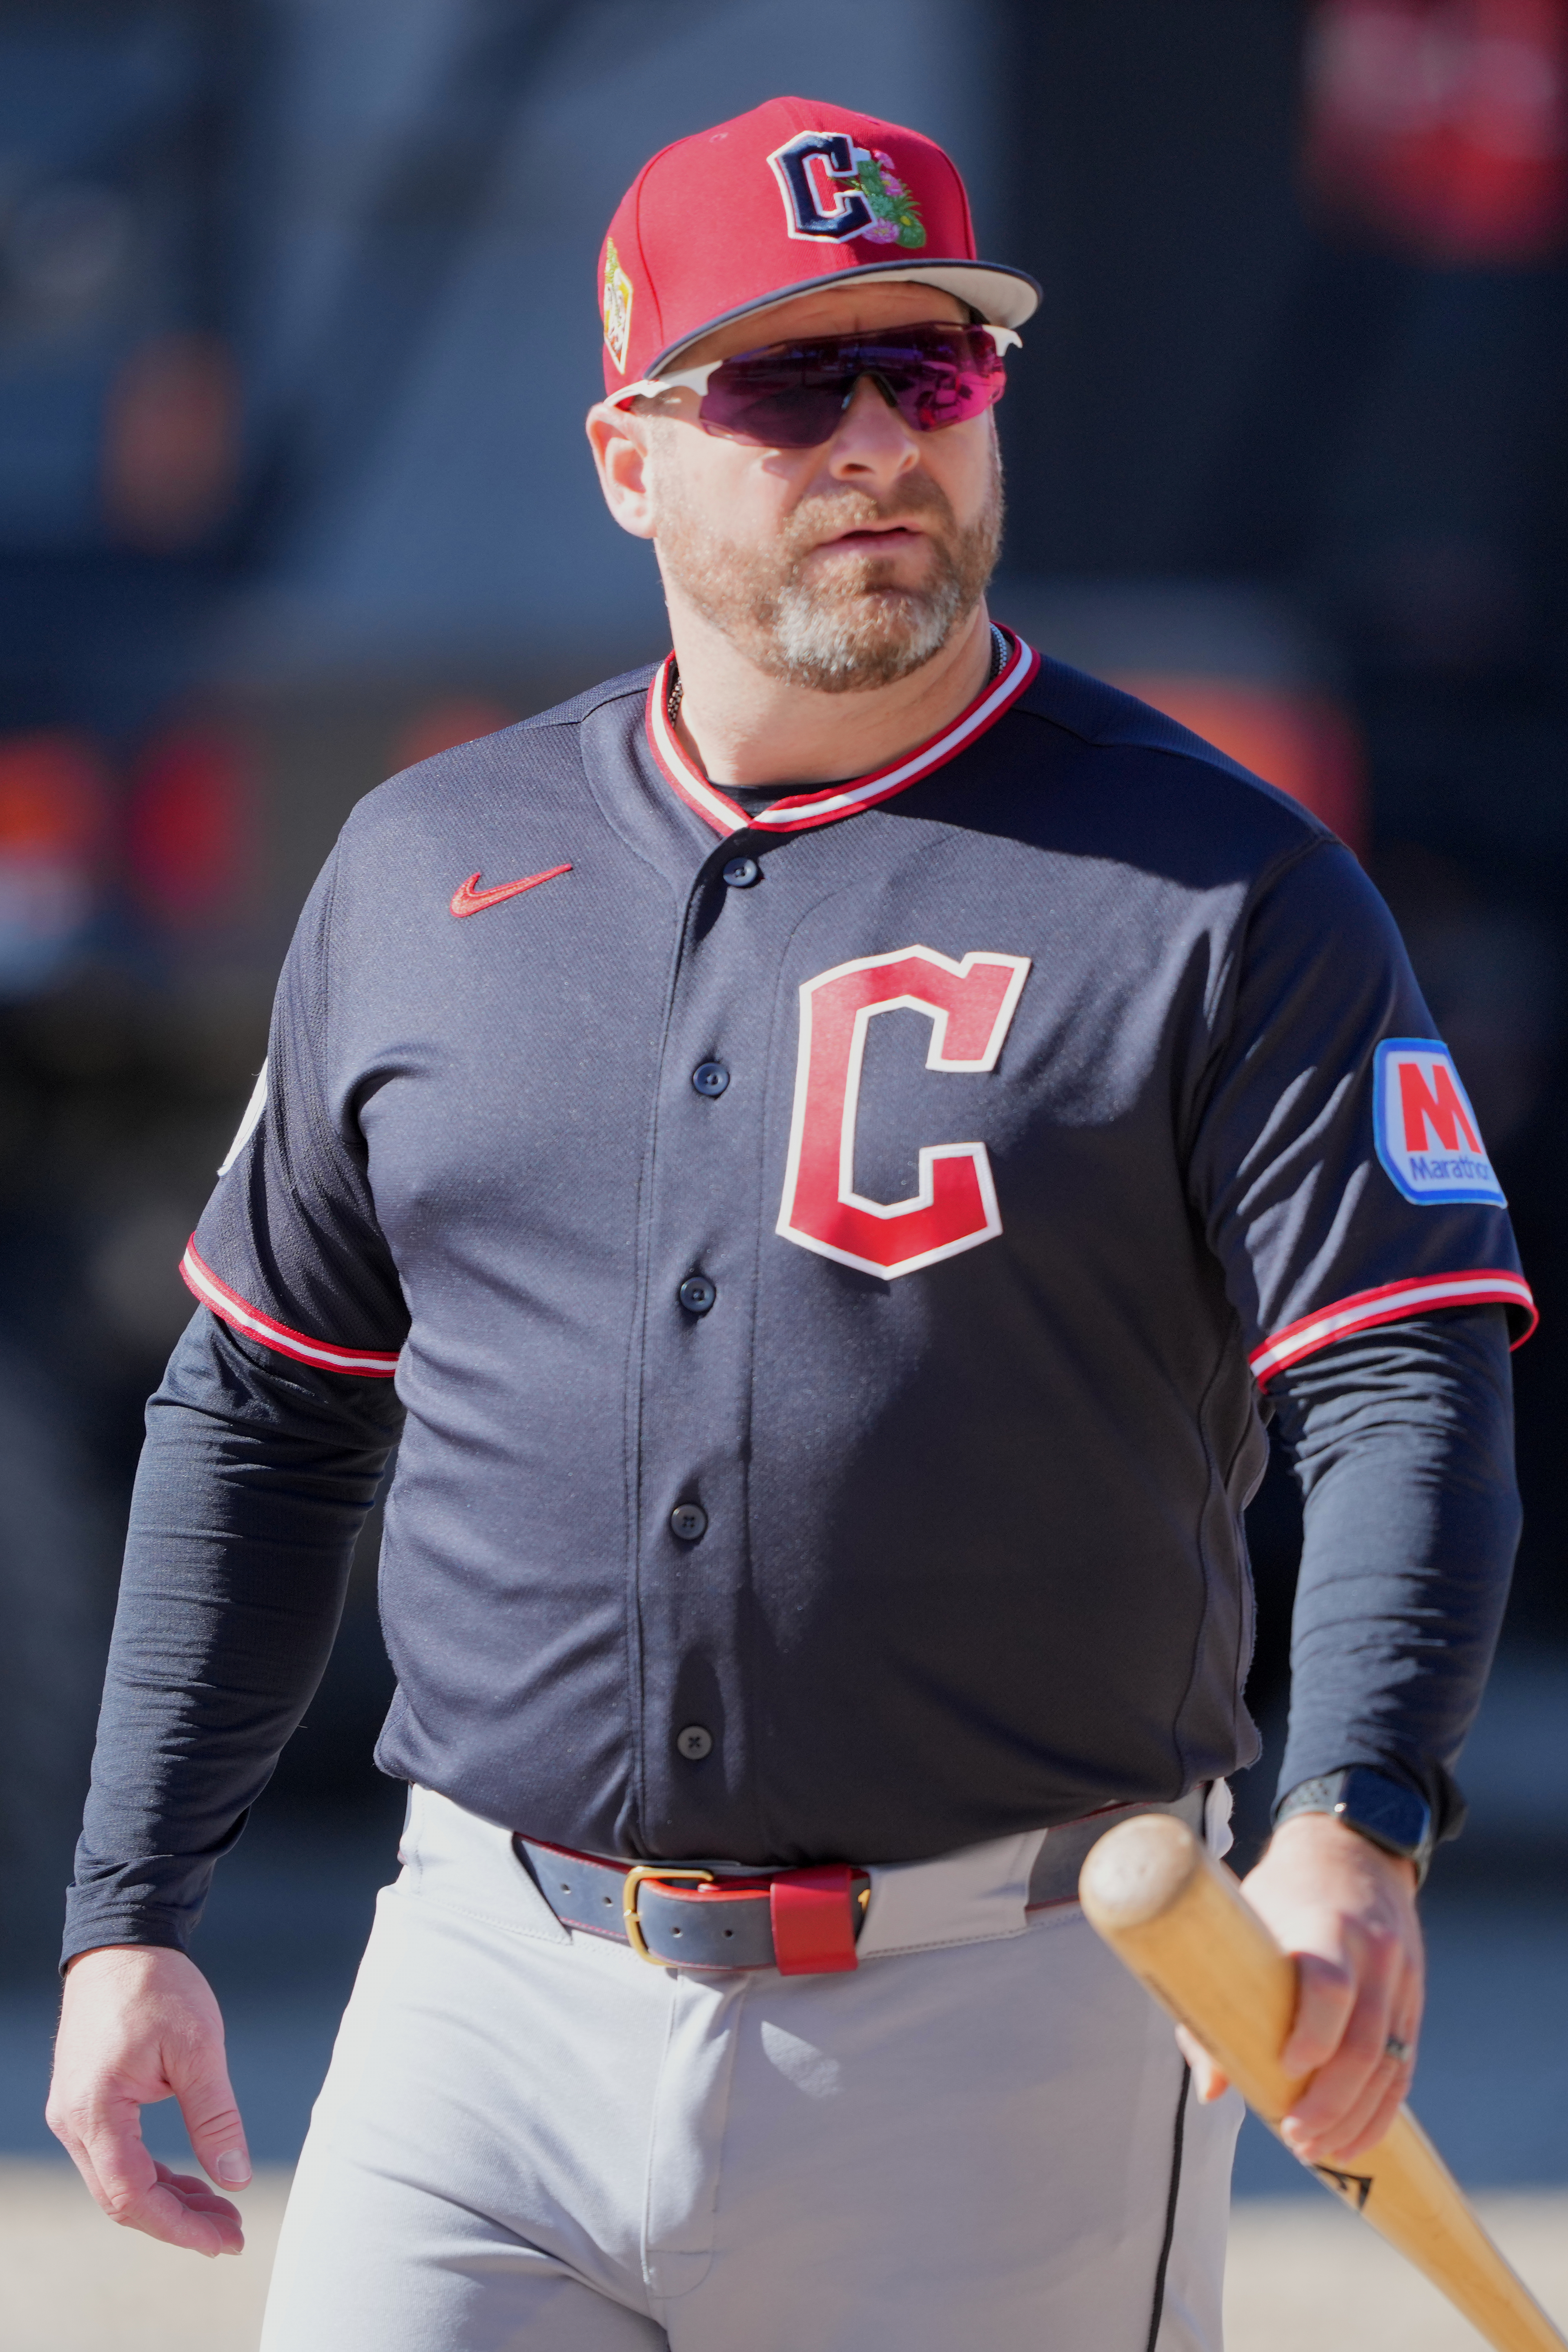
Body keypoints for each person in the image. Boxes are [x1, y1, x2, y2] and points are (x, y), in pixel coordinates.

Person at [47, 97, 1530, 2352]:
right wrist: (128, 1914)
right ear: (631, 451)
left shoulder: (1234, 887)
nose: (876, 442)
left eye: (928, 374)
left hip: (1002, 2014)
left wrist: (1354, 1826)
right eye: (787, 383)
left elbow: (1403, 1375)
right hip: (488, 1998)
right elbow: (264, 1407)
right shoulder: (425, 864)